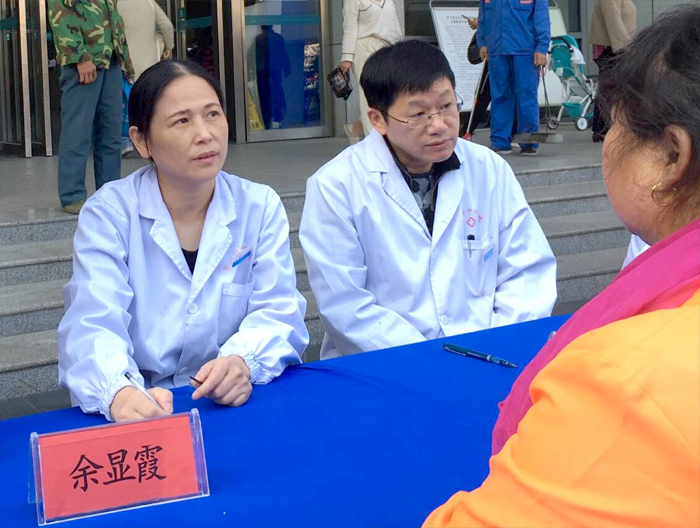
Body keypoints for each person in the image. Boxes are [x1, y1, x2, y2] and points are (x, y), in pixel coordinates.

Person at [424, 6, 700, 525]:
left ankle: (525, 130)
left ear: (671, 156)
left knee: (522, 91)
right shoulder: (340, 183)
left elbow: (528, 266)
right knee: (505, 90)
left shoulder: (619, 379)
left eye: (613, 123)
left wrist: (539, 46)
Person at [58, 60, 308, 422]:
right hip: (141, 404)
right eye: (182, 121)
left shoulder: (258, 204)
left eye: (212, 114)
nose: (205, 134)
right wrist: (119, 391)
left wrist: (242, 360)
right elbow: (92, 321)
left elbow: (279, 309)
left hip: (226, 402)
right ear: (141, 140)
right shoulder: (109, 214)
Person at [299, 40, 556, 359]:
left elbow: (528, 271)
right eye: (418, 114)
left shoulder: (488, 169)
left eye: (447, 106)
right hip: (387, 365)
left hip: (490, 357)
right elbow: (346, 307)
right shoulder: (335, 186)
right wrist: (434, 362)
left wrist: (495, 347)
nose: (438, 125)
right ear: (378, 119)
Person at [48, 0, 134, 215]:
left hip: (111, 61)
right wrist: (79, 57)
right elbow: (61, 13)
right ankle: (72, 196)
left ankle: (110, 193)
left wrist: (126, 63)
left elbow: (113, 18)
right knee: (77, 133)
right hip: (84, 62)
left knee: (111, 135)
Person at [476, 0, 549, 156]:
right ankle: (500, 141)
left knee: (526, 96)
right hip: (497, 49)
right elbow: (483, 16)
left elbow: (541, 17)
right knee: (499, 96)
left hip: (526, 50)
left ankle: (528, 142)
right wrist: (482, 43)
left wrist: (542, 48)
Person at [339, 0, 403, 138]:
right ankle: (373, 139)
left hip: (387, 49)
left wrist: (400, 49)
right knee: (367, 95)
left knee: (386, 94)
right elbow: (349, 27)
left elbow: (395, 26)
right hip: (364, 48)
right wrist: (347, 56)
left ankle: (354, 129)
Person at [589, 0, 636, 142]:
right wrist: (625, 49)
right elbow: (614, 22)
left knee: (610, 89)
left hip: (614, 48)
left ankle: (603, 128)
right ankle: (602, 128)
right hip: (612, 49)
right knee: (609, 89)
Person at [117, 0, 174, 81]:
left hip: (125, 62)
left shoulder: (115, 3)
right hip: (149, 62)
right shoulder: (149, 2)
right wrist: (168, 47)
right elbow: (167, 26)